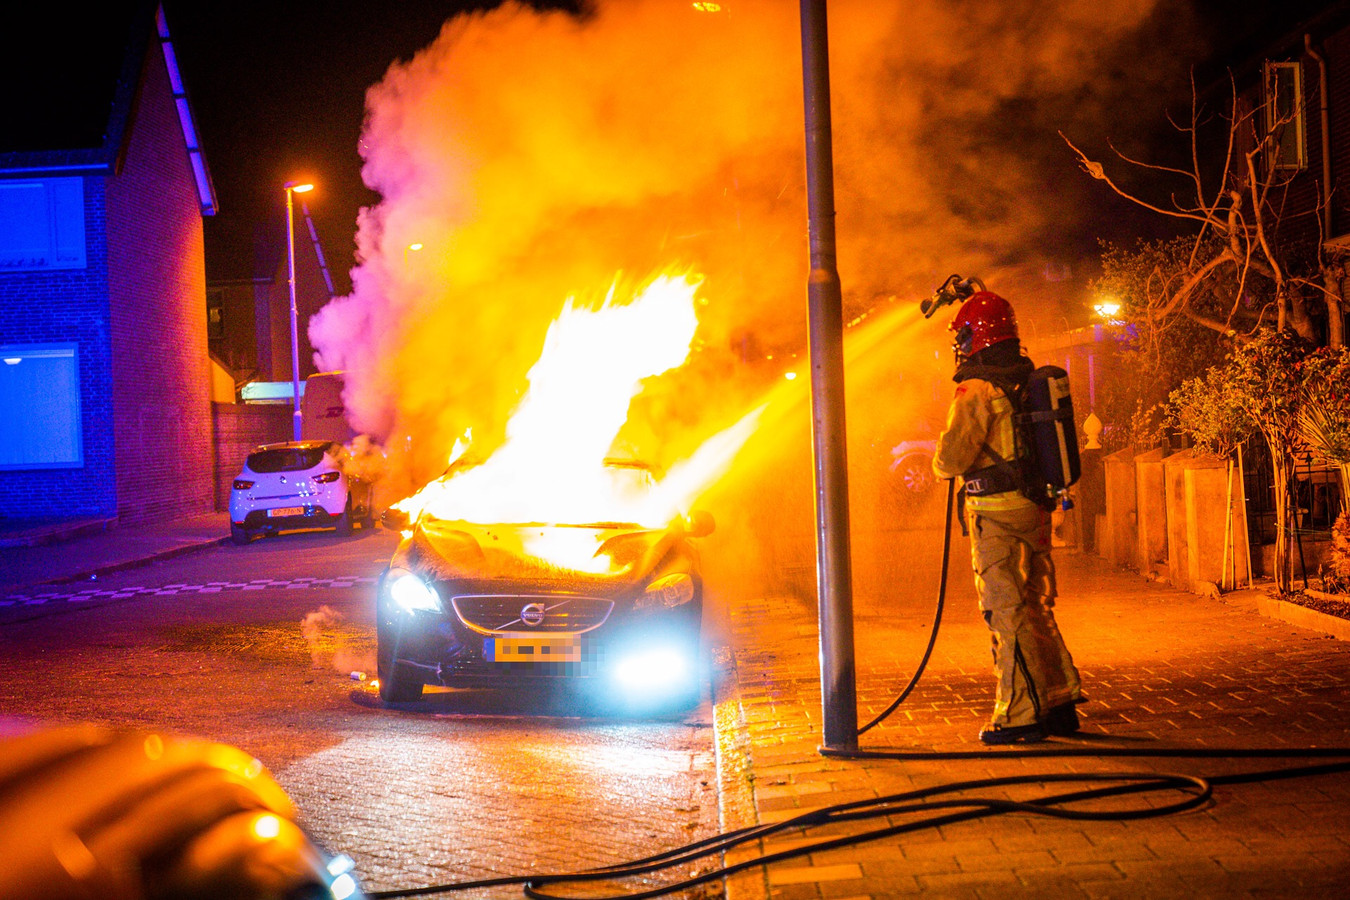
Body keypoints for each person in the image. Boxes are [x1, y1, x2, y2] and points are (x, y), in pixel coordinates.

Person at [932, 291, 1083, 744]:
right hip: (1035, 509)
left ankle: (1018, 713)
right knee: (1035, 604)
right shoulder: (1025, 379)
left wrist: (941, 459)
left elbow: (951, 459)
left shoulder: (975, 390)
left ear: (974, 336)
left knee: (1005, 610)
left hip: (995, 515)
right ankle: (1059, 699)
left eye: (962, 334)